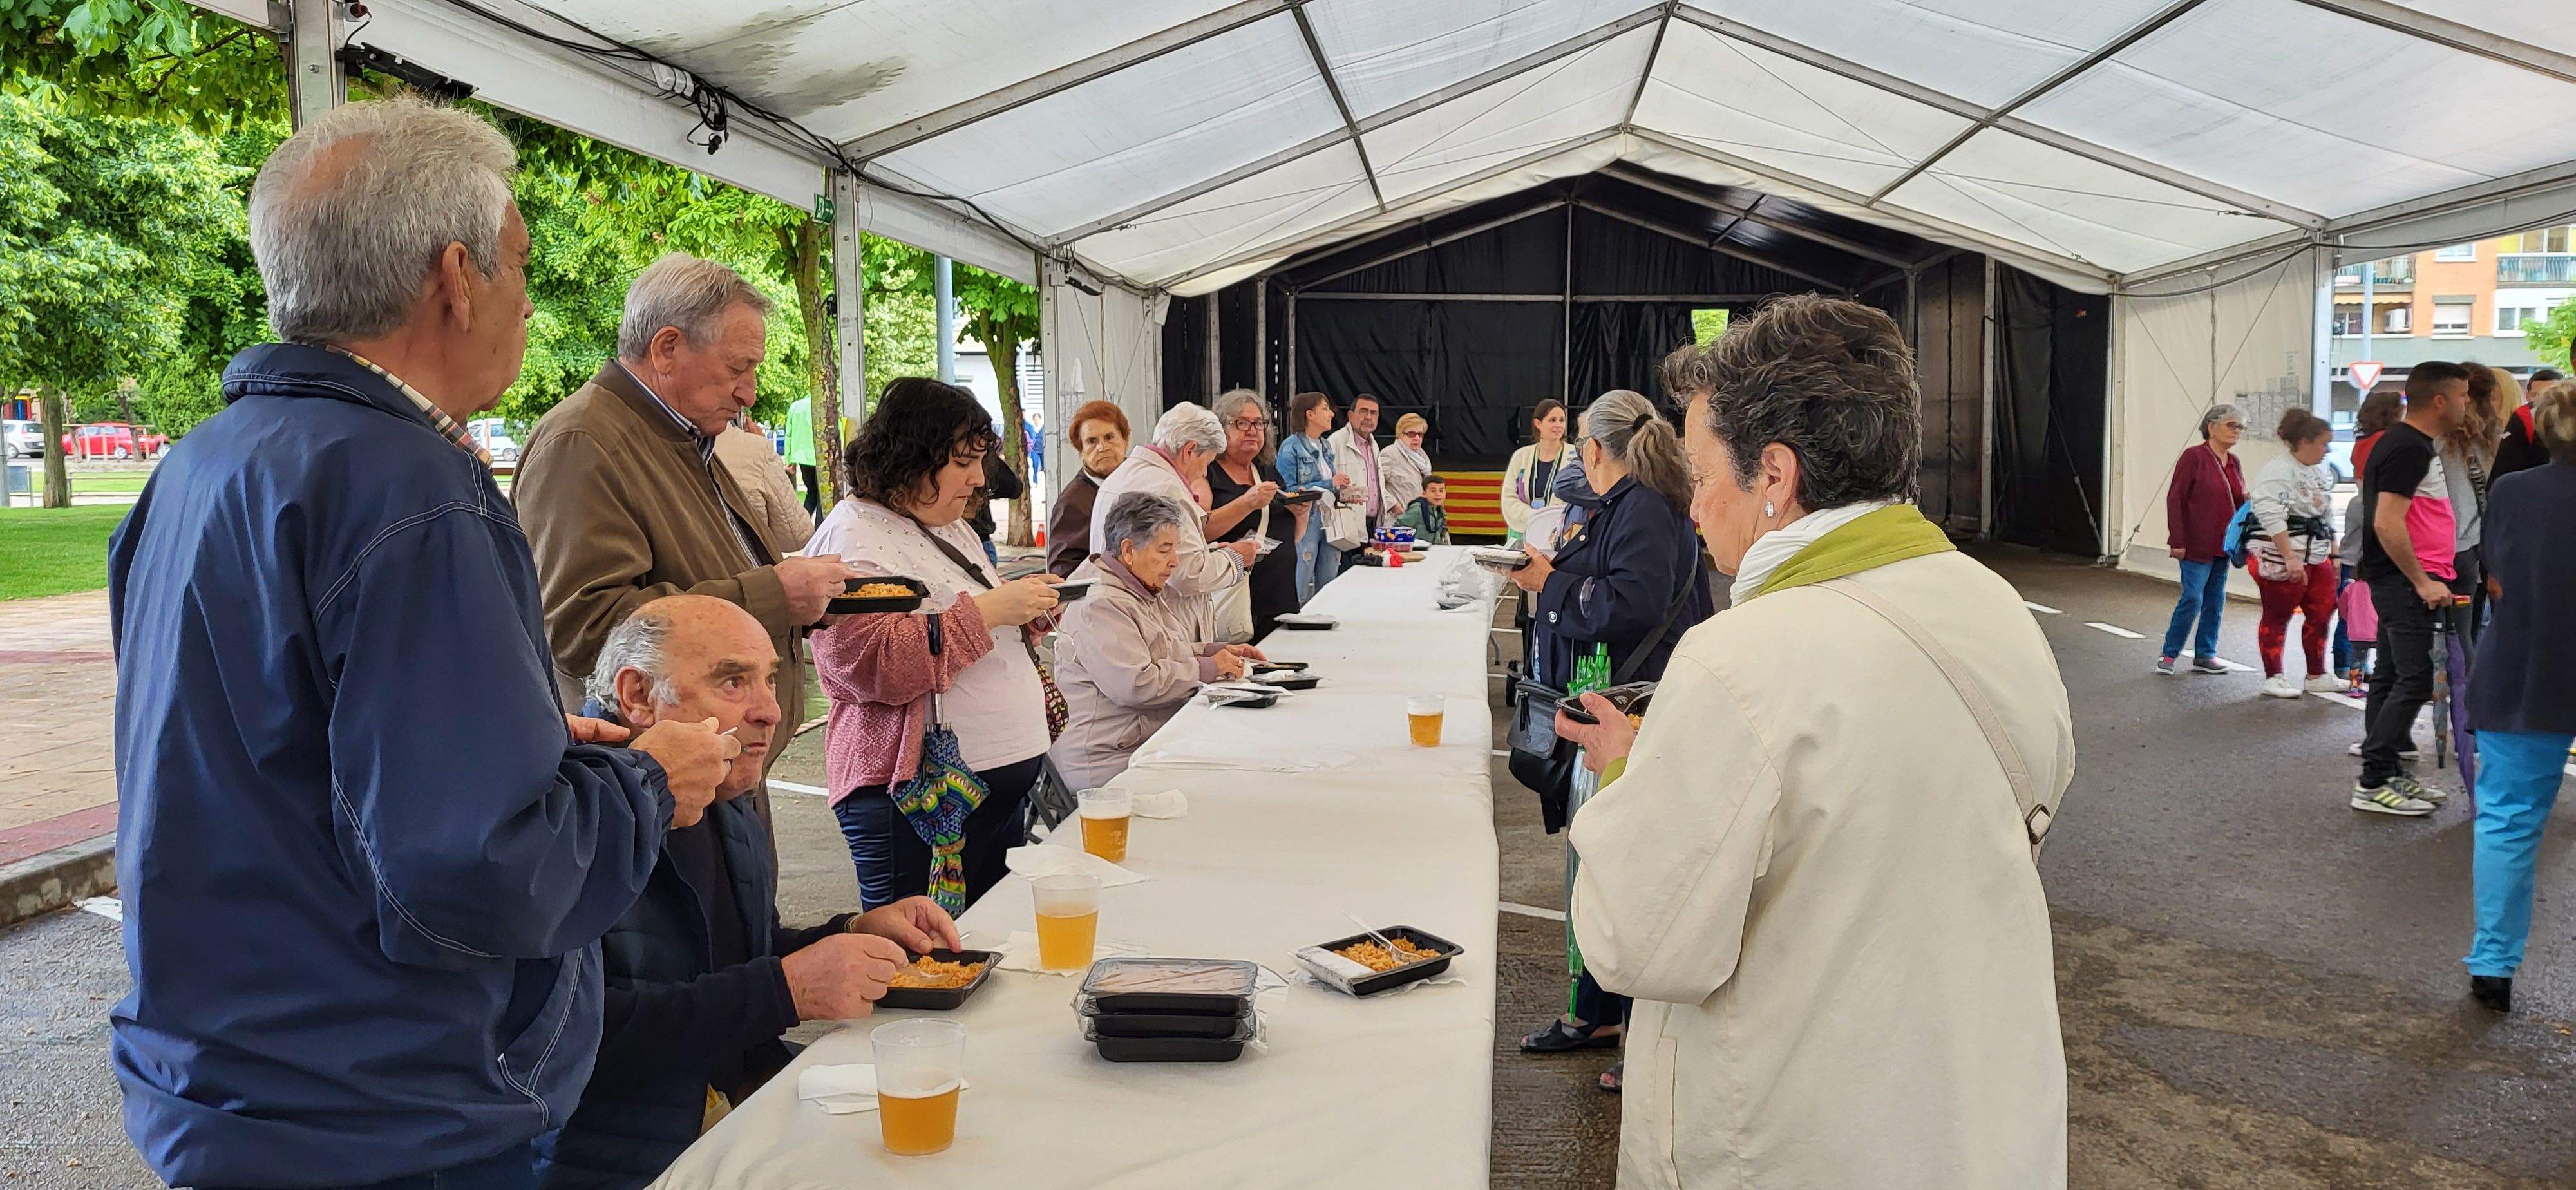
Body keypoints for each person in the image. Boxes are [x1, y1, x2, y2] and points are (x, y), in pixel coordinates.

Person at [105, 96, 739, 1190]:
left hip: (238, 1078)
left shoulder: (201, 465)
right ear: (456, 277)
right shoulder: (409, 487)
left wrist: (542, 748)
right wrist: (641, 782)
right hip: (379, 1110)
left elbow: (292, 765)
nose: (531, 303)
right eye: (520, 264)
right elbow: (471, 874)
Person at [1552, 296, 2076, 1188]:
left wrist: (1633, 773)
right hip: (1971, 1119)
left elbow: (1642, 943)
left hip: (1793, 1133)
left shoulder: (1738, 659)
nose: (1692, 504)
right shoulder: (1994, 607)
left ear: (1776, 477)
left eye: (1702, 469)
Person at [538, 596, 961, 1190]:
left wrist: (850, 934)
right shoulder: (566, 826)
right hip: (619, 1155)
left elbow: (739, 950)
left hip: (740, 1113)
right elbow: (571, 1039)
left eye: (771, 679)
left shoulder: (725, 795)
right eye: (733, 682)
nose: (770, 710)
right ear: (637, 697)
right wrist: (784, 991)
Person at [516, 252, 849, 836]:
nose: (749, 392)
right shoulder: (585, 442)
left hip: (707, 785)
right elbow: (584, 630)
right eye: (737, 369)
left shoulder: (677, 435)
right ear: (667, 348)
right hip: (660, 797)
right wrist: (774, 596)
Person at [1506, 389, 1714, 1065]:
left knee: (1623, 869)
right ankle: (1595, 1013)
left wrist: (1548, 585)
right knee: (1595, 861)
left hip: (1634, 711)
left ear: (1593, 449)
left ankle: (1634, 1032)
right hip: (1606, 707)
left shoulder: (1646, 509)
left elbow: (1631, 601)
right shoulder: (1622, 504)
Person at [808, 379, 1064, 912]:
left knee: (980, 942)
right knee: (919, 958)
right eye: (962, 463)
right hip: (913, 798)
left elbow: (967, 616)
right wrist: (991, 612)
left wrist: (1024, 614)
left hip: (986, 786)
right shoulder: (851, 539)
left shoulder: (945, 522)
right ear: (910, 459)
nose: (978, 480)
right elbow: (868, 667)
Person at [2461, 381, 2576, 1014]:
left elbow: (2495, 574)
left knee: (2507, 822)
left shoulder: (2510, 491)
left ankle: (2492, 966)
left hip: (2523, 669)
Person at [1050, 495, 1266, 789]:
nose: (1175, 562)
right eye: (1165, 550)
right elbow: (1136, 684)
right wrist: (1206, 668)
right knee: (1230, 777)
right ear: (1128, 550)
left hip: (1141, 738)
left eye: (1176, 549)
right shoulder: (1100, 603)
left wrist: (1215, 651)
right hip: (1109, 759)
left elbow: (1160, 649)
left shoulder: (1136, 582)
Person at [2354, 361, 2473, 817]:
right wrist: (2422, 581)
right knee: (2414, 679)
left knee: (2392, 676)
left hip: (2406, 580)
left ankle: (2386, 772)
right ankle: (2371, 781)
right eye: (2462, 395)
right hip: (2405, 583)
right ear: (2439, 400)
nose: (2467, 403)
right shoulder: (2407, 448)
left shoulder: (2413, 445)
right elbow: (2387, 522)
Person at [1094, 402, 1262, 627]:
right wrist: (1236, 558)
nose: (1204, 472)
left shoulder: (1124, 473)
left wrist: (1210, 552)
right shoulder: (1167, 490)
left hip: (1123, 615)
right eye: (1207, 463)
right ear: (1189, 450)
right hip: (1157, 625)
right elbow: (1187, 574)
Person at [2246, 408, 2341, 699]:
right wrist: (2289, 557)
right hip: (2280, 555)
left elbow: (2326, 513)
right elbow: (2270, 515)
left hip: (2317, 555)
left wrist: (2334, 554)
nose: (2328, 450)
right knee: (2278, 615)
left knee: (2323, 613)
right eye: (2324, 443)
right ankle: (2273, 675)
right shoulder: (2277, 471)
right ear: (2305, 441)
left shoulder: (2317, 473)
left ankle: (2316, 674)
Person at [2156, 404, 2246, 675]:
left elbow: (2240, 500)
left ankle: (2205, 654)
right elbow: (2175, 498)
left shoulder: (2234, 462)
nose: (2237, 431)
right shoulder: (2193, 457)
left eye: (2240, 427)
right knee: (2193, 598)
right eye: (2231, 425)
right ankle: (2170, 654)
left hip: (2224, 545)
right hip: (2195, 544)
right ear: (2211, 427)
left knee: (2215, 601)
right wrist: (2177, 541)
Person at [1205, 388, 1294, 641]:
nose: (1253, 430)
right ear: (1221, 429)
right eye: (1241, 423)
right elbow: (1201, 530)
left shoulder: (1267, 471)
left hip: (1280, 595)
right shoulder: (1209, 473)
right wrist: (1247, 502)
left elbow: (1290, 538)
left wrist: (1301, 511)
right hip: (1237, 598)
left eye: (1259, 423)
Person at [2334, 390, 2404, 691]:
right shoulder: (2389, 442)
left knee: (2350, 603)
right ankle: (2367, 665)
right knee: (2376, 601)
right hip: (2376, 512)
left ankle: (2346, 664)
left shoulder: (2361, 442)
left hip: (2358, 509)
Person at [1278, 390, 1356, 601]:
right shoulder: (1290, 447)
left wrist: (1346, 494)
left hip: (1329, 519)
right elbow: (1289, 490)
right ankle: (1296, 620)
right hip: (1307, 520)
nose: (1331, 414)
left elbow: (1330, 485)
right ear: (1309, 414)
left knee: (1330, 577)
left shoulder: (1326, 445)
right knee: (1301, 578)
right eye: (1325, 408)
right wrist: (1329, 483)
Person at [1046, 399, 1129, 578]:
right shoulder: (1072, 502)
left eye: (1109, 437)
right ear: (1081, 451)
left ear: (1126, 440)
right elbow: (1063, 573)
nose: (1102, 447)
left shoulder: (1143, 482)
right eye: (1092, 441)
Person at [714, 415, 814, 557]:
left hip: (801, 456)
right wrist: (762, 449)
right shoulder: (755, 449)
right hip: (752, 568)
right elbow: (798, 536)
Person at [1325, 392, 1387, 554]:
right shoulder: (1335, 442)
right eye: (1363, 411)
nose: (1369, 417)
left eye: (1373, 413)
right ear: (1351, 415)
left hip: (1373, 526)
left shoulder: (1374, 446)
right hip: (1346, 527)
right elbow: (1326, 483)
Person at [1502, 398, 1569, 541]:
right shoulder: (1521, 456)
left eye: (1562, 420)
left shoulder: (1574, 456)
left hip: (1559, 532)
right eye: (1552, 420)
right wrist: (1534, 516)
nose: (1558, 425)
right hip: (1523, 532)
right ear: (1538, 423)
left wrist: (1549, 519)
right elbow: (1508, 498)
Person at [2495, 368, 2557, 480]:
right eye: (2536, 395)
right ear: (2527, 395)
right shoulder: (2524, 418)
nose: (2542, 402)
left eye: (2551, 395)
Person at [1379, 411, 1434, 515]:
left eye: (1420, 434)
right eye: (1412, 434)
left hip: (1419, 520)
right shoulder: (1390, 453)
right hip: (1397, 522)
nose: (1417, 438)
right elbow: (1376, 485)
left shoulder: (1423, 458)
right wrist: (1392, 505)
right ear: (1400, 434)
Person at [784, 394, 820, 516]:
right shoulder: (823, 406)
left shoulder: (795, 407)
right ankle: (819, 528)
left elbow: (788, 435)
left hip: (802, 457)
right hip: (820, 456)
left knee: (811, 493)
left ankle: (804, 524)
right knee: (821, 496)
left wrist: (789, 460)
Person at [1393, 475, 1451, 544]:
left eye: (1441, 491)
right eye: (1433, 491)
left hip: (1435, 550)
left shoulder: (1441, 512)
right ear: (1424, 493)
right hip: (1417, 551)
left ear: (1445, 494)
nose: (1438, 494)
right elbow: (1399, 526)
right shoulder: (1418, 509)